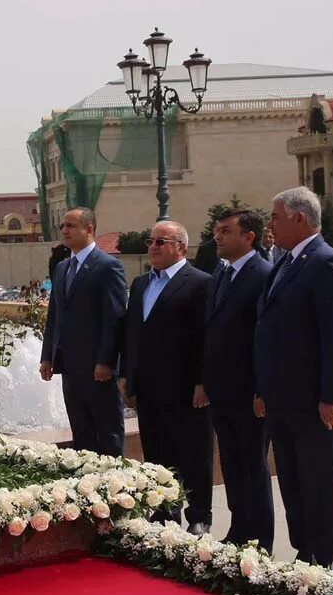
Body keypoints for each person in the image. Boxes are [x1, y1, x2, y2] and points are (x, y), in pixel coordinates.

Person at [255, 187, 333, 569]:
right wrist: (263, 389)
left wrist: (328, 395)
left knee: (319, 483)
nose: (270, 225)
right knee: (293, 483)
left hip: (314, 401)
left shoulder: (326, 261)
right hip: (282, 399)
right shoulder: (285, 262)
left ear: (299, 218)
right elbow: (269, 330)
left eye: (275, 217)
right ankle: (305, 553)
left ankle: (329, 563)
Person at [120, 221, 213, 533]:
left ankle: (199, 516)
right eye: (151, 241)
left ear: (181, 248)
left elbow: (206, 337)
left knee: (194, 454)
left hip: (187, 389)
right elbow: (132, 334)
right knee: (157, 454)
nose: (153, 247)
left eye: (162, 241)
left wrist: (203, 382)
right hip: (148, 388)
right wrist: (126, 376)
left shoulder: (200, 283)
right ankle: (164, 512)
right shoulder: (142, 283)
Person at [203, 208, 274, 550]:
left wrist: (262, 388)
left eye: (226, 231)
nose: (218, 236)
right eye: (217, 230)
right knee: (231, 461)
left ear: (249, 237)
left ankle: (261, 536)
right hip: (222, 389)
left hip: (250, 391)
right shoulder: (221, 272)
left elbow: (266, 337)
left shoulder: (263, 274)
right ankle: (239, 527)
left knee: (253, 464)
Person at [40, 207, 126, 455]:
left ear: (89, 229)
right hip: (69, 367)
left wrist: (106, 361)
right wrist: (48, 356)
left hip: (98, 370)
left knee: (107, 433)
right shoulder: (62, 268)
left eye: (70, 226)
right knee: (82, 434)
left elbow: (114, 318)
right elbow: (54, 315)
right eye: (63, 226)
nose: (64, 231)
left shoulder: (108, 266)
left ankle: (114, 486)